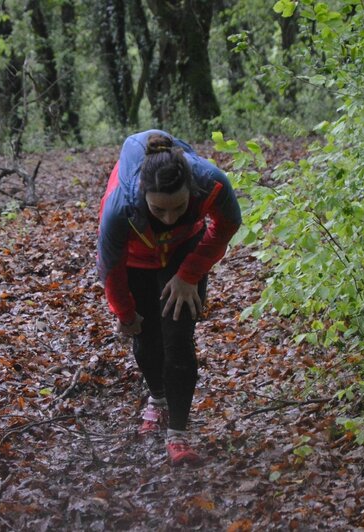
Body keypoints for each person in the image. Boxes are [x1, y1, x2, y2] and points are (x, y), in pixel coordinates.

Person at [97, 130, 242, 465]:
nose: (169, 217)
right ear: (142, 194)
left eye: (178, 207)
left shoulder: (211, 183)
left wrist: (190, 273)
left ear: (190, 189)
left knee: (177, 339)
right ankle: (159, 399)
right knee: (146, 338)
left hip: (184, 254)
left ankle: (178, 434)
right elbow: (110, 266)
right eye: (158, 210)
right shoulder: (119, 206)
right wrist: (125, 313)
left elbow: (227, 225)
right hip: (135, 263)